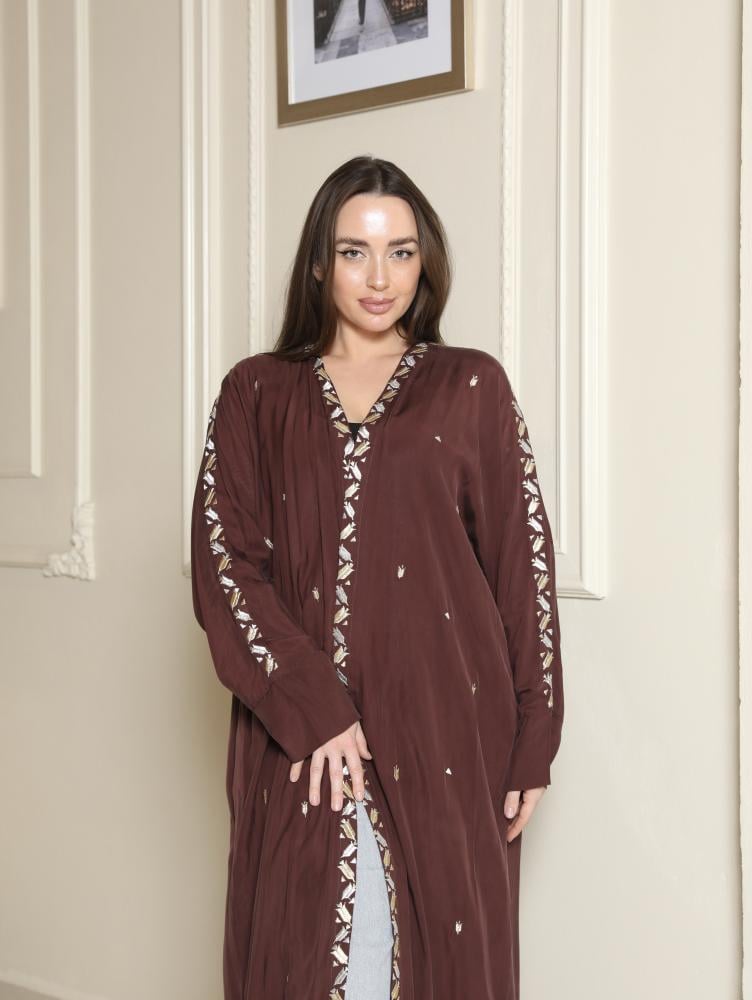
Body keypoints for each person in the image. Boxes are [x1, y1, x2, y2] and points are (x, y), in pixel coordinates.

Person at [190, 154, 565, 1000]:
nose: (380, 277)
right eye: (354, 252)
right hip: (302, 741)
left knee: (437, 954)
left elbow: (523, 569)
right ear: (319, 264)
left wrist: (535, 734)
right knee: (313, 954)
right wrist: (313, 707)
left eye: (401, 252)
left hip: (449, 730)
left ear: (424, 262)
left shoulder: (470, 385)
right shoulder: (256, 394)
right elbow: (225, 564)